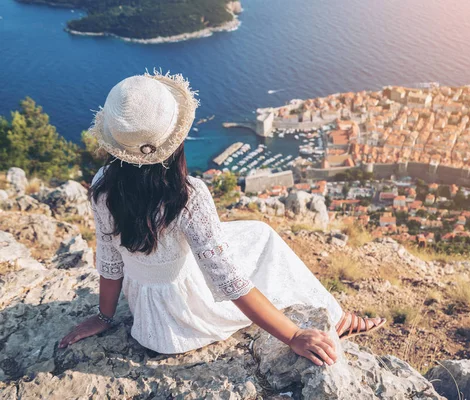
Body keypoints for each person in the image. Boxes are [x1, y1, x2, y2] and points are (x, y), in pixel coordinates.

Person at [58, 71, 386, 366]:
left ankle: (336, 313)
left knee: (257, 232)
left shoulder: (103, 184)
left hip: (147, 320)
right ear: (175, 138)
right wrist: (293, 336)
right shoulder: (186, 195)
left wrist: (103, 317)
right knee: (263, 238)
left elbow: (110, 261)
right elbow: (230, 283)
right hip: (184, 322)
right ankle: (338, 317)